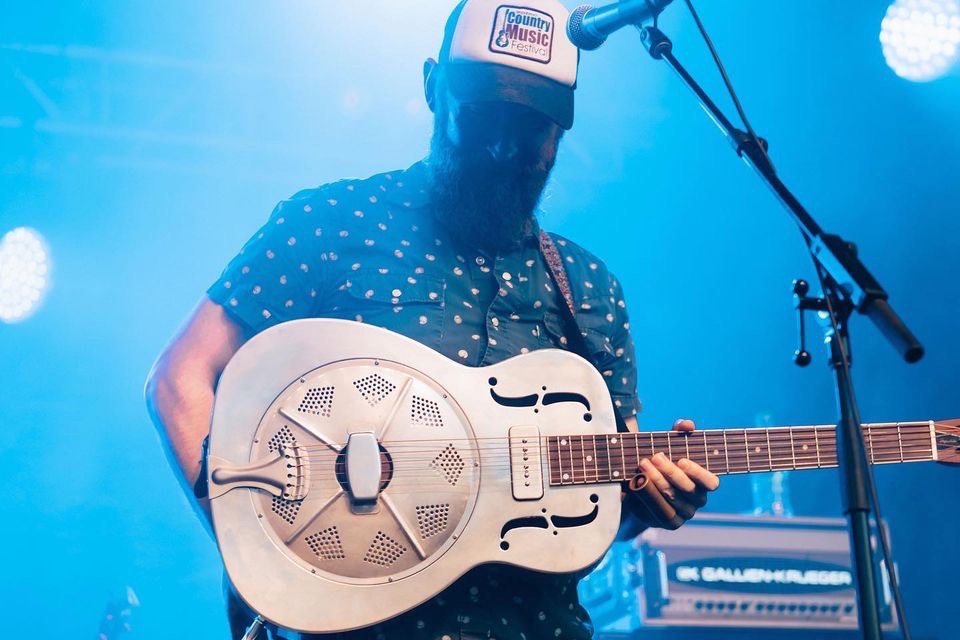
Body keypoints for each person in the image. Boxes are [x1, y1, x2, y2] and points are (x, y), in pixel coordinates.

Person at [145, 1, 720, 638]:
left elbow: (596, 506)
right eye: (483, 115)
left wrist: (648, 503)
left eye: (532, 127)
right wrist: (259, 555)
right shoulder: (331, 224)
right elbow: (180, 377)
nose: (504, 146)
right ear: (431, 86)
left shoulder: (590, 288)